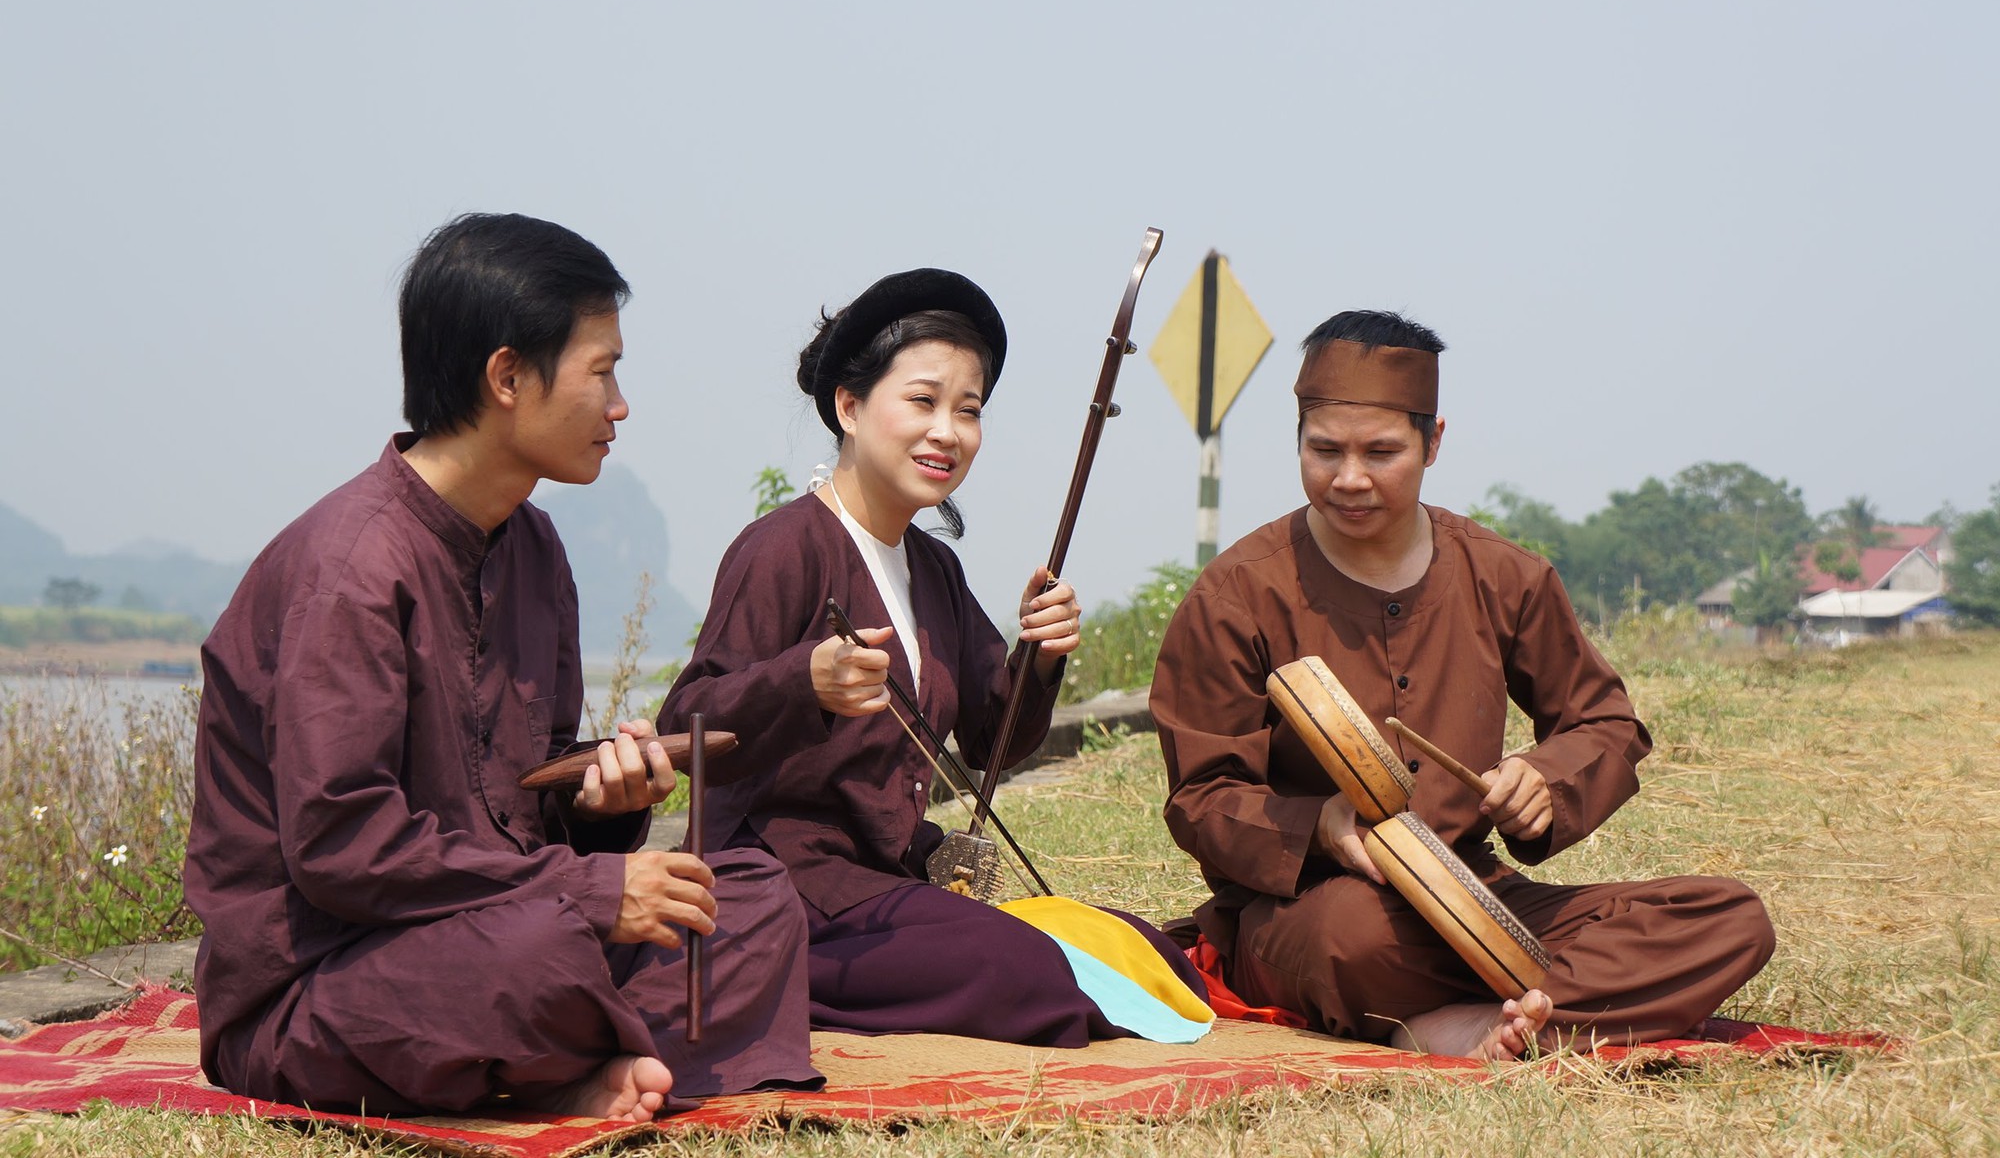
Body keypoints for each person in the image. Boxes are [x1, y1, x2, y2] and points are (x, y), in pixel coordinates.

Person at [184, 213, 817, 1120]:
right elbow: (341, 849)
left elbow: (528, 807)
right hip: (332, 979)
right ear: (509, 376)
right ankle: (586, 1054)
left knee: (749, 896)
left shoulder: (534, 549)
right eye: (603, 371)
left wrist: (602, 807)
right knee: (530, 963)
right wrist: (593, 891)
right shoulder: (353, 567)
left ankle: (574, 1061)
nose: (621, 404)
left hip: (507, 927)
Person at [1150, 309, 1776, 1061]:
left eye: (1381, 451)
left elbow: (1605, 723)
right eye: (1324, 451)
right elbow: (1203, 798)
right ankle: (1497, 1018)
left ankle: (1473, 1020)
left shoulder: (1504, 574)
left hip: (1476, 899)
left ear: (1433, 442)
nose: (1349, 478)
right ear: (1298, 442)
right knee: (1349, 939)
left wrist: (1544, 779)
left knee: (1727, 918)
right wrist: (1320, 827)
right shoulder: (1236, 594)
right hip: (1314, 907)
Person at [659, 268, 1206, 1045]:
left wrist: (1039, 657)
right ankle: (766, 980)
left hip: (893, 882)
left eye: (969, 410)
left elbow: (994, 742)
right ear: (849, 406)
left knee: (1142, 952)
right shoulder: (783, 547)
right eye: (922, 401)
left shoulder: (934, 568)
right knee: (1019, 970)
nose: (947, 430)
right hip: (788, 885)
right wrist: (800, 680)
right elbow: (684, 724)